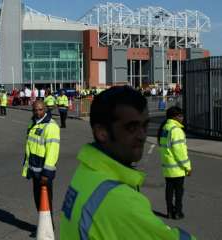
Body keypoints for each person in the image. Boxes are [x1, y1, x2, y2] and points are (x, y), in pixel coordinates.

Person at [60, 86, 195, 239]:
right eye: (131, 127)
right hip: (175, 169)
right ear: (101, 132)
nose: (142, 136)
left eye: (145, 125)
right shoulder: (119, 200)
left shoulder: (86, 173)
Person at [22, 100, 60, 229]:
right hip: (34, 169)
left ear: (45, 109)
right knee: (38, 200)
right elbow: (30, 146)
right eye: (35, 110)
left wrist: (47, 173)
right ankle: (44, 225)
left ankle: (49, 228)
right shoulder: (33, 123)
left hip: (43, 172)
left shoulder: (51, 126)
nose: (38, 112)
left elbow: (53, 151)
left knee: (46, 201)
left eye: (40, 109)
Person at [158, 106, 192, 220]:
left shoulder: (165, 128)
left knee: (169, 189)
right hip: (177, 167)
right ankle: (178, 212)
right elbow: (180, 151)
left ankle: (169, 211)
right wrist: (187, 167)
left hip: (167, 166)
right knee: (178, 191)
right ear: (174, 117)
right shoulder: (176, 130)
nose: (182, 118)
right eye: (180, 116)